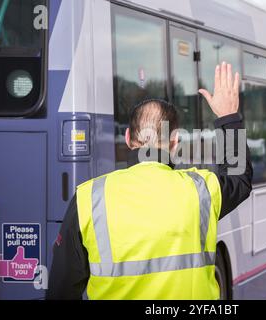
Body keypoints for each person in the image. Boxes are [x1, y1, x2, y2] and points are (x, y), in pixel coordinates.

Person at [47, 62, 252, 300]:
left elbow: (61, 291)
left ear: (127, 138)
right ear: (175, 142)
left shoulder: (88, 199)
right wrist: (228, 117)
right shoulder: (201, 191)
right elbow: (239, 178)